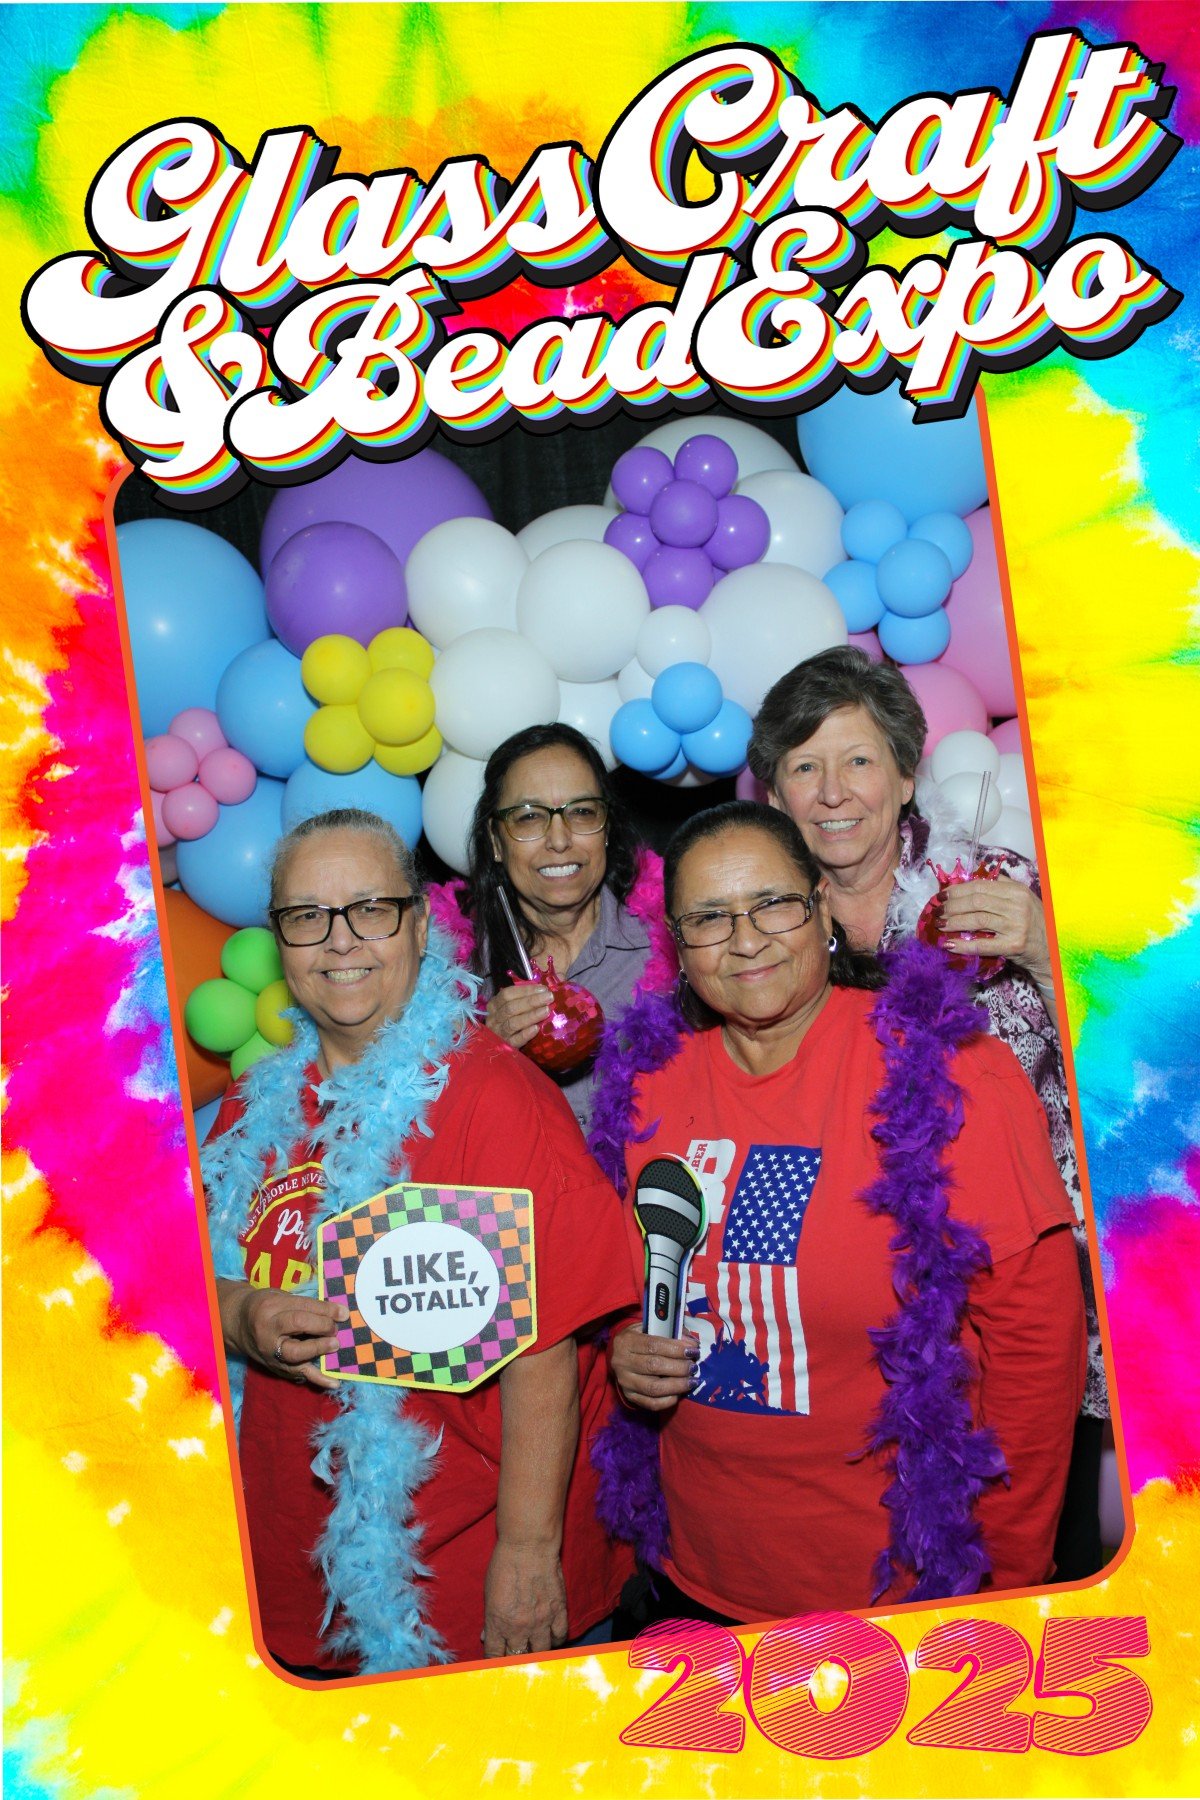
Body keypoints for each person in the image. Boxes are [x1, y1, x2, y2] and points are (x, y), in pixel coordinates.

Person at [592, 803, 1085, 1626]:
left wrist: (1006, 1585)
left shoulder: (946, 1070)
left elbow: (1037, 1347)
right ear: (677, 945)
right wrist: (626, 1349)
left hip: (902, 1591)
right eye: (709, 918)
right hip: (694, 1575)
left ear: (822, 907)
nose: (745, 939)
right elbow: (625, 1280)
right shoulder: (646, 1085)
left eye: (772, 903)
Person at [202, 807, 639, 1675]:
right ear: (281, 942)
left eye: (369, 908)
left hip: (459, 1572)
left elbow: (545, 1346)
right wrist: (242, 1311)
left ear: (415, 921)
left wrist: (525, 1550)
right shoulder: (254, 1106)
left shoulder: (494, 1097)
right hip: (292, 1561)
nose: (340, 941)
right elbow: (181, 1271)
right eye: (307, 917)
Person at [747, 645, 1107, 1580]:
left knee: (1029, 1536)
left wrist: (1046, 948)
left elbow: (1147, 1039)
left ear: (908, 774)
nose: (834, 791)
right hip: (868, 1291)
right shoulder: (765, 923)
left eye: (860, 760)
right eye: (806, 765)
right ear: (776, 792)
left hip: (1031, 1261)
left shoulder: (992, 878)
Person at [430, 723, 676, 1132]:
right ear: (495, 840)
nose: (559, 840)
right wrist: (480, 1057)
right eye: (529, 818)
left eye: (582, 812)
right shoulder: (444, 972)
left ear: (607, 828)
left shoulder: (672, 945)